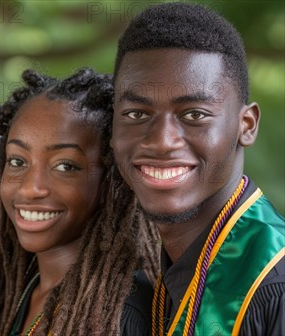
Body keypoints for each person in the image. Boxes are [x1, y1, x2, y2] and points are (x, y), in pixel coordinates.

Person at [111, 3, 285, 335]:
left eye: (194, 114)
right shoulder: (160, 278)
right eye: (136, 114)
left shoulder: (274, 287)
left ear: (245, 125)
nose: (162, 141)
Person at [0, 68, 159, 335]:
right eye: (17, 161)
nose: (30, 188)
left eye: (65, 166)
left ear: (113, 181)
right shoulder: (14, 293)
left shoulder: (122, 313)